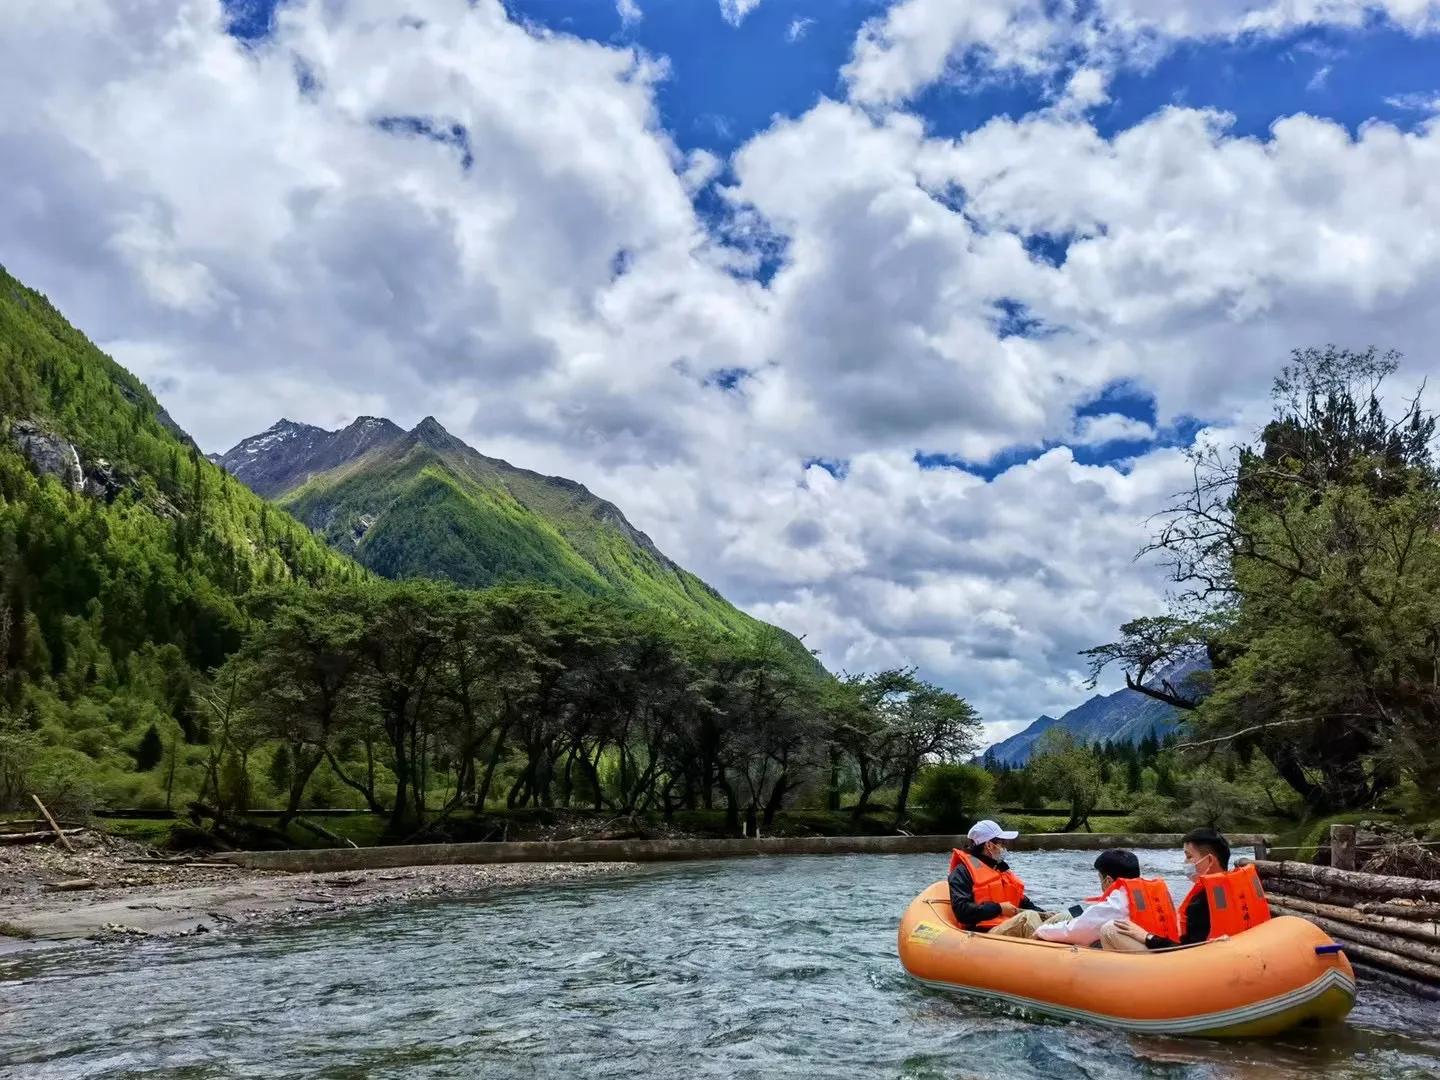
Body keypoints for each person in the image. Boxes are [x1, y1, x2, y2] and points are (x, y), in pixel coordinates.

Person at [1103, 827, 1271, 952]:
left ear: (1210, 860)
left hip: (1193, 969)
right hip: (1237, 956)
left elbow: (1188, 951)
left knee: (1110, 929)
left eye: (1189, 856)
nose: (1185, 862)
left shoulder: (1202, 900)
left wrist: (1147, 937)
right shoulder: (1235, 888)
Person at [1033, 848, 1177, 949]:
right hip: (1159, 945)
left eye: (1099, 878)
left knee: (1107, 929)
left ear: (1107, 880)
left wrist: (1042, 931)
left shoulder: (1119, 901)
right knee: (1066, 915)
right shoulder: (1149, 891)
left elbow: (1078, 931)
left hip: (1146, 955)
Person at [947, 819, 1046, 936]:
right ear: (989, 845)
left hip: (1009, 925)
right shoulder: (962, 872)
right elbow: (962, 911)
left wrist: (1047, 915)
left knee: (1060, 917)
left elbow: (1025, 904)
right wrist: (998, 908)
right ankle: (1050, 951)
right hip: (984, 933)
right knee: (1028, 916)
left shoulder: (1000, 870)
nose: (1005, 847)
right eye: (1002, 843)